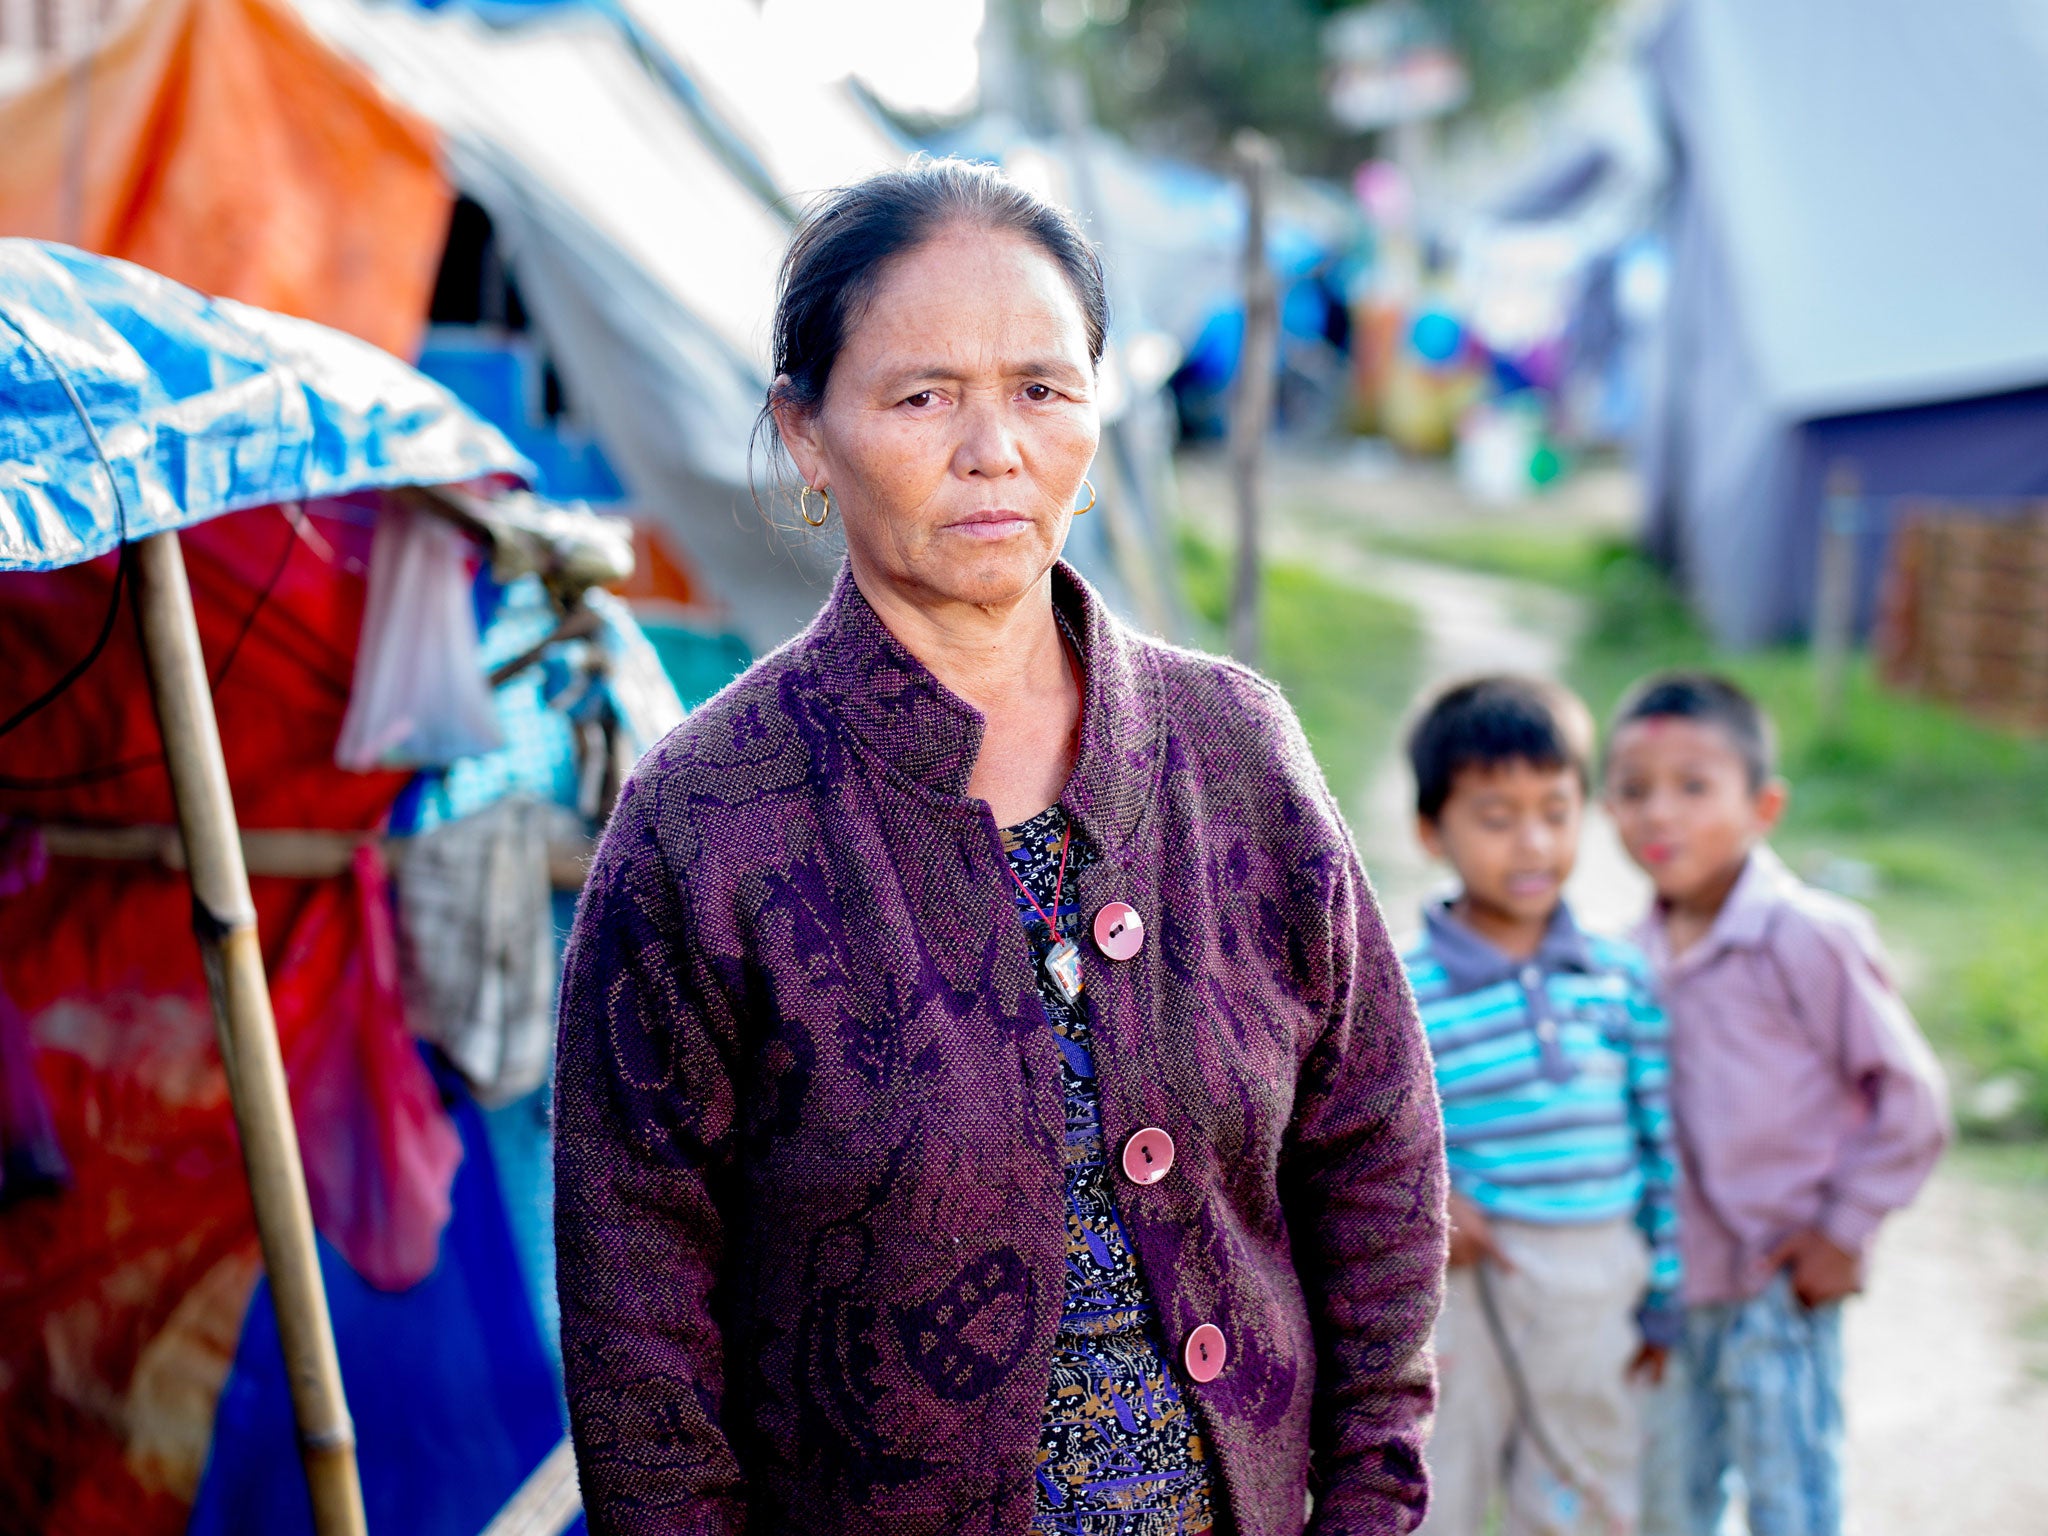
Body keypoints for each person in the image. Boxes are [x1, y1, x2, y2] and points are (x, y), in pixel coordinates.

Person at [551, 157, 1448, 1536]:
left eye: (1042, 388)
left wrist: (1373, 1504)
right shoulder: (709, 825)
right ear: (805, 432)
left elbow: (1373, 1147)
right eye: (923, 397)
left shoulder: (1234, 756)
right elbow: (640, 1329)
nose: (995, 450)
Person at [1603, 672, 1949, 1536]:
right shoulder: (1622, 959)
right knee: (1668, 1506)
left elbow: (1911, 1099)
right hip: (1670, 1292)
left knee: (1791, 1504)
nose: (1658, 814)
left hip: (1779, 1285)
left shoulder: (1806, 938)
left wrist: (1843, 1228)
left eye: (1693, 787)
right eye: (1633, 790)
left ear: (1764, 806)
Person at [1400, 677, 1680, 1536]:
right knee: (1439, 1479)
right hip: (1466, 1283)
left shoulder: (1619, 977)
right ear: (1430, 831)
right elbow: (1377, 1144)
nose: (1532, 843)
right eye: (1496, 817)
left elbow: (1659, 1143)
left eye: (1556, 812)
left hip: (1597, 1274)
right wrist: (1433, 1205)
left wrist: (1664, 1283)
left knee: (1586, 1482)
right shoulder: (1405, 991)